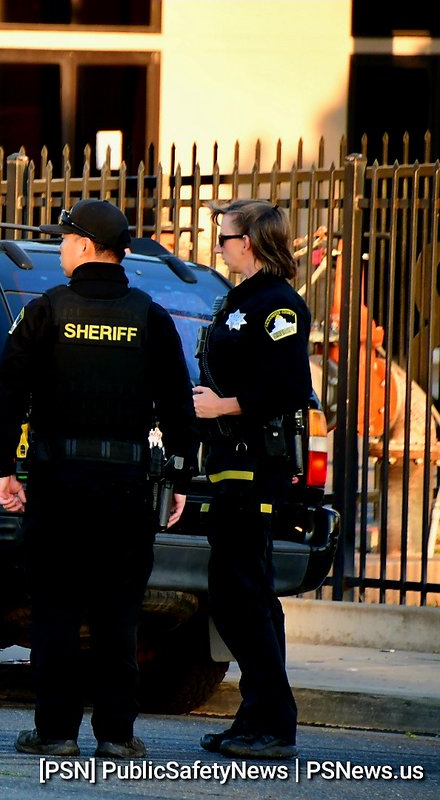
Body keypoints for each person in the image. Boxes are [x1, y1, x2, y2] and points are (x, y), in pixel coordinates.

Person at [0, 199, 197, 760]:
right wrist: (179, 477)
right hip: (126, 487)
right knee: (117, 613)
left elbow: (8, 393)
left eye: (64, 240)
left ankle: (56, 733)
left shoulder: (46, 311)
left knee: (55, 609)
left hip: (58, 484)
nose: (59, 248)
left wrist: (5, 468)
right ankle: (116, 735)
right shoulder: (149, 315)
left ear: (84, 247)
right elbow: (179, 405)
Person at [193, 199, 310, 760]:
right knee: (238, 595)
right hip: (228, 464)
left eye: (226, 237)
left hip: (257, 466)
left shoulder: (279, 306)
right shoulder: (237, 300)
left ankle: (273, 720)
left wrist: (224, 406)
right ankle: (256, 716)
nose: (220, 246)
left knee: (244, 595)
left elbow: (289, 388)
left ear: (255, 241)